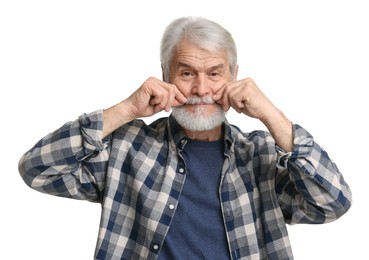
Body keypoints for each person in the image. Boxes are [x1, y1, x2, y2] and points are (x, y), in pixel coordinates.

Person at [18, 16, 352, 260]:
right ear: (166, 76)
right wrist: (126, 109)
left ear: (235, 77)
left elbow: (331, 204)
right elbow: (37, 169)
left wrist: (271, 114)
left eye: (215, 74)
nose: (201, 89)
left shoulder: (261, 154)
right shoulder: (127, 148)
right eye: (187, 73)